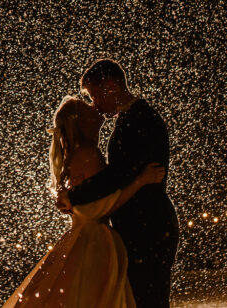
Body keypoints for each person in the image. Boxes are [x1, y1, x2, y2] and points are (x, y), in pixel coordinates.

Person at [0, 95, 165, 308]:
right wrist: (140, 181)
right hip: (95, 242)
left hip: (80, 238)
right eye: (88, 107)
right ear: (82, 121)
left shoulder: (72, 154)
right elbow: (95, 208)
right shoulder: (88, 153)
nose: (94, 107)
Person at [58, 59, 180, 308]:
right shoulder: (129, 119)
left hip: (149, 229)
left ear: (111, 85)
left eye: (95, 95)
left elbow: (118, 175)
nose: (95, 105)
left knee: (149, 300)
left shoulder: (140, 120)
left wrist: (75, 195)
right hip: (141, 227)